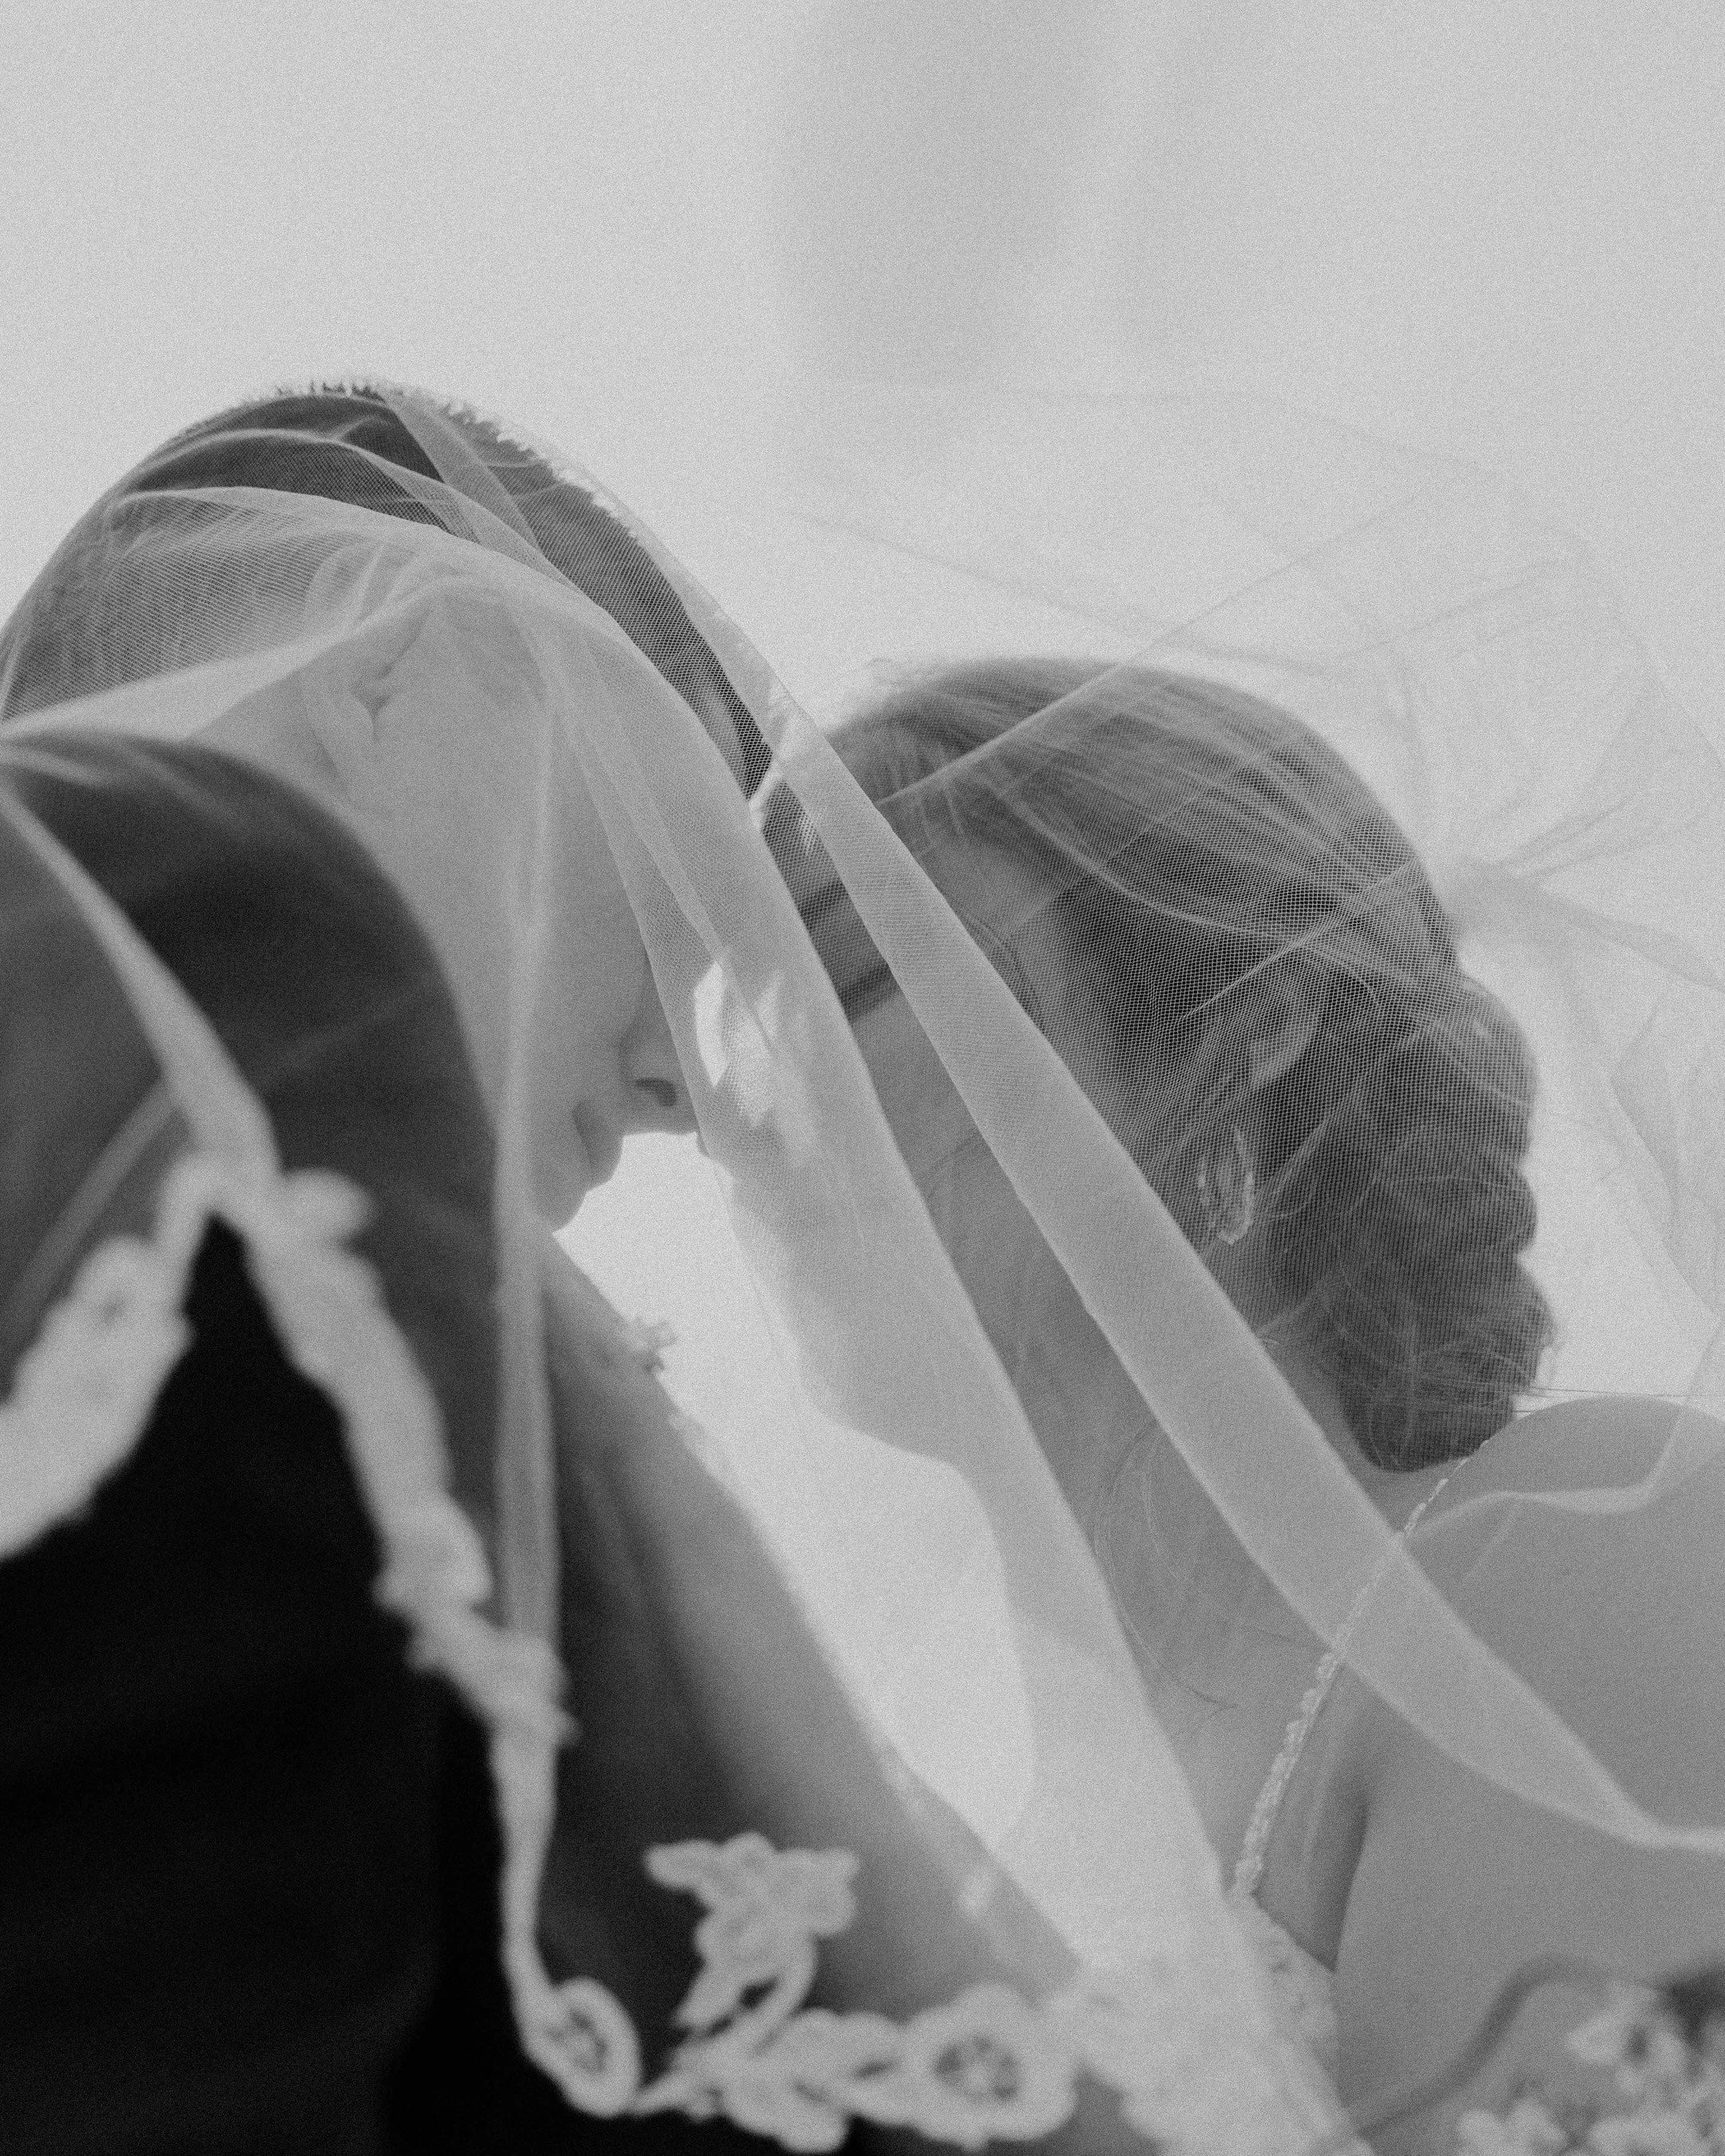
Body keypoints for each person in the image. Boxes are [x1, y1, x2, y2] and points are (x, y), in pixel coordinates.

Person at [777, 649, 1725, 2139]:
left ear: (1233, 1031)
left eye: (857, 974)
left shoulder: (1566, 1562)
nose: (755, 1100)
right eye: (738, 1014)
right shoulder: (986, 1860)